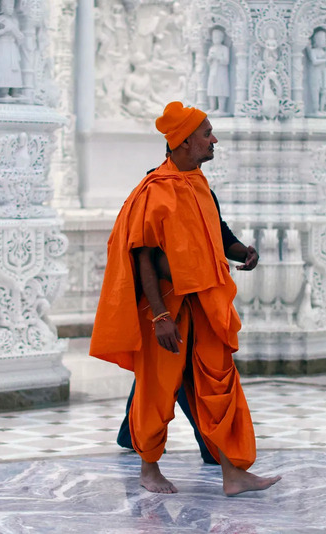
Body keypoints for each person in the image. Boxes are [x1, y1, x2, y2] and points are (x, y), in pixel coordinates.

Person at [90, 101, 281, 496]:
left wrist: (242, 250)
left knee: (219, 380)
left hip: (205, 305)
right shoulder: (155, 190)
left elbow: (218, 231)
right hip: (169, 309)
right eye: (207, 133)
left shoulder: (198, 183)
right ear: (184, 141)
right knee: (157, 388)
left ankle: (233, 473)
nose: (214, 139)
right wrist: (160, 317)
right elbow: (142, 255)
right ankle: (149, 469)